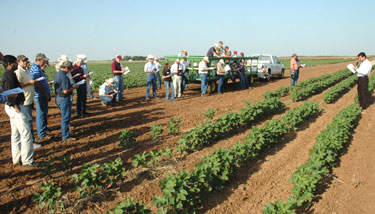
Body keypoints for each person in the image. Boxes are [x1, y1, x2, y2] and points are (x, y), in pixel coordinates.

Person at [2, 55, 36, 167]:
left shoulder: (7, 75)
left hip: (11, 107)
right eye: (15, 62)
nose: (16, 64)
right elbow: (11, 93)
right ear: (10, 64)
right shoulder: (10, 76)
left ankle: (16, 160)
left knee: (16, 135)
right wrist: (17, 108)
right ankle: (27, 161)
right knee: (26, 134)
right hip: (15, 107)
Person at [14, 55, 39, 145]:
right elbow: (18, 85)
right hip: (24, 100)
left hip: (29, 99)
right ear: (18, 62)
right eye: (23, 61)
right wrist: (29, 83)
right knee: (27, 121)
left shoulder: (27, 70)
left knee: (28, 120)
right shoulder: (18, 72)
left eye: (26, 60)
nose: (25, 62)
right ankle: (30, 142)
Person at [54, 61, 79, 142]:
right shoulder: (64, 76)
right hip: (64, 98)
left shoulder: (57, 74)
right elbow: (65, 91)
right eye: (70, 69)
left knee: (64, 116)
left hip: (58, 97)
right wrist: (74, 87)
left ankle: (65, 134)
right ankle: (65, 136)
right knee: (65, 117)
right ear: (67, 68)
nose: (70, 71)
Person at [30, 53, 51, 142]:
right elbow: (37, 83)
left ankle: (43, 132)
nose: (44, 62)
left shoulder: (38, 69)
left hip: (42, 95)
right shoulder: (35, 69)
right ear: (39, 60)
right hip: (40, 95)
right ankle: (42, 135)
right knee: (41, 114)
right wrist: (44, 93)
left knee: (43, 114)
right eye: (43, 60)